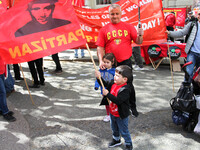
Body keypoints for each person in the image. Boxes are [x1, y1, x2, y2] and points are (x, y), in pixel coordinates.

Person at [96, 4, 143, 117]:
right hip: (110, 65)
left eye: (117, 13)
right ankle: (111, 110)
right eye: (112, 14)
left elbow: (139, 41)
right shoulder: (104, 29)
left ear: (121, 14)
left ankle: (132, 107)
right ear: (109, 15)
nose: (115, 16)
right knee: (109, 86)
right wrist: (101, 61)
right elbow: (100, 47)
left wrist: (140, 34)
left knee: (129, 86)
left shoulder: (128, 26)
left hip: (125, 62)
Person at [95, 65, 133, 150]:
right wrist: (99, 77)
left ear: (125, 79)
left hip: (121, 115)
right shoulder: (113, 83)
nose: (114, 77)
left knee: (124, 130)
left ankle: (128, 143)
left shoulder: (125, 89)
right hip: (112, 112)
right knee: (114, 128)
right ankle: (116, 140)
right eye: (115, 75)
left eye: (117, 76)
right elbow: (104, 84)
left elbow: (118, 100)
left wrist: (107, 94)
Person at [166, 9, 200, 83]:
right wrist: (169, 33)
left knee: (198, 76)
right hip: (192, 53)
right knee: (188, 72)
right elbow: (182, 33)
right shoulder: (192, 24)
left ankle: (197, 92)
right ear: (197, 15)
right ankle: (185, 89)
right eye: (199, 14)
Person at [94, 53, 116, 122]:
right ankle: (108, 114)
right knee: (106, 103)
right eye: (104, 62)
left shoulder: (115, 71)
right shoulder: (101, 70)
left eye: (108, 62)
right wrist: (96, 86)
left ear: (112, 62)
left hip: (112, 90)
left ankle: (114, 113)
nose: (106, 64)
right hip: (104, 90)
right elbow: (98, 79)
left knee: (113, 102)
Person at [0, 56, 16, 122]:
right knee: (2, 92)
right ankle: (5, 112)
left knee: (1, 92)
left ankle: (2, 109)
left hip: (2, 70)